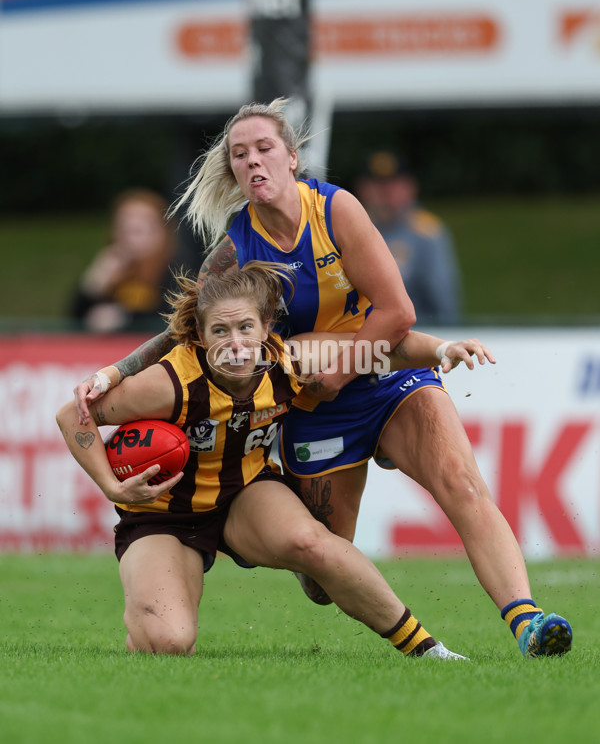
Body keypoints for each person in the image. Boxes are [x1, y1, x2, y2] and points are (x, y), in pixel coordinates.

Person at [72, 99, 572, 659]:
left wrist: (398, 358)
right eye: (240, 155)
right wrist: (118, 369)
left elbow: (398, 314)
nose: (254, 162)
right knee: (325, 570)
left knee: (461, 484)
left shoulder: (337, 210)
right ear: (233, 171)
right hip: (310, 403)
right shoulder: (235, 249)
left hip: (381, 375)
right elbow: (183, 329)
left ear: (292, 157)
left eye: (264, 149)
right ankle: (315, 569)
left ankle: (527, 622)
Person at [57, 260, 478, 658]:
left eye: (245, 327)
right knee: (168, 643)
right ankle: (151, 620)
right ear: (200, 338)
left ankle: (429, 650)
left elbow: (384, 350)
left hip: (245, 494)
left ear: (266, 329)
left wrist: (444, 349)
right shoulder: (169, 382)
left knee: (313, 544)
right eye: (221, 331)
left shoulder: (288, 359)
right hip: (163, 514)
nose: (236, 344)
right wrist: (111, 486)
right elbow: (71, 415)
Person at [354, 150, 462, 326]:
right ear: (362, 189)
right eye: (376, 185)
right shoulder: (350, 229)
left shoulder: (427, 233)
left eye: (392, 185)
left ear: (410, 188)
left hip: (415, 335)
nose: (384, 193)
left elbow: (442, 301)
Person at [70, 189, 177, 333]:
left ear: (162, 231)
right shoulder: (114, 267)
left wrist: (125, 318)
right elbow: (73, 321)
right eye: (124, 229)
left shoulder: (176, 268)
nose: (130, 239)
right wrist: (92, 284)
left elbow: (174, 316)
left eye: (139, 230)